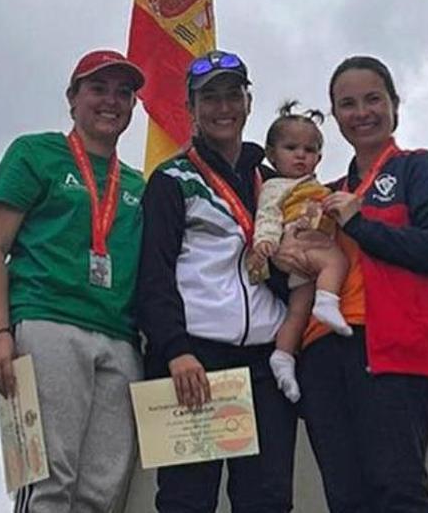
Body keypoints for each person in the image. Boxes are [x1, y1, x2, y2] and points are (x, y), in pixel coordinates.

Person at [280, 55, 428, 512]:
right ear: (335, 116)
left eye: (372, 99)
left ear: (394, 105)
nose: (361, 112)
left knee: (397, 490)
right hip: (321, 353)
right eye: (347, 104)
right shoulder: (326, 190)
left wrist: (361, 224)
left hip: (392, 352)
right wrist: (288, 252)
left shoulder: (418, 168)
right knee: (346, 498)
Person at [0, 49, 147, 512]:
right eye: (98, 89)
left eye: (123, 93)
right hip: (47, 321)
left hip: (120, 338)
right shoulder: (35, 153)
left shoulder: (138, 185)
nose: (111, 101)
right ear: (72, 98)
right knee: (48, 479)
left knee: (102, 491)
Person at [136, 49, 297, 513]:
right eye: (210, 99)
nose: (222, 108)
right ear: (191, 109)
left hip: (265, 362)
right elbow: (154, 275)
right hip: (195, 360)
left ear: (249, 103)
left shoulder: (273, 182)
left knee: (266, 500)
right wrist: (175, 349)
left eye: (232, 95)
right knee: (187, 501)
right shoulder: (171, 179)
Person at [247, 101, 353, 403]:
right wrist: (265, 242)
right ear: (271, 154)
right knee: (338, 260)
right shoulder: (275, 186)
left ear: (319, 157)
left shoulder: (318, 186)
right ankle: (328, 301)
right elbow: (267, 215)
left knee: (297, 311)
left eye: (309, 150)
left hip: (306, 268)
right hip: (300, 245)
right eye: (291, 147)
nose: (300, 155)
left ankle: (282, 357)